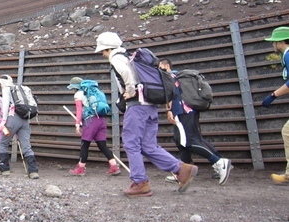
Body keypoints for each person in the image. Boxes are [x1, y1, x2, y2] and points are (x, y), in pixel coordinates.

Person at [95, 31, 197, 197]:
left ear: (108, 48)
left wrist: (129, 91)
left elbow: (126, 75)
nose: (103, 55)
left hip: (137, 107)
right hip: (150, 107)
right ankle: (182, 170)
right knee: (149, 146)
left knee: (131, 143)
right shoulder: (129, 57)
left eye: (102, 51)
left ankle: (140, 182)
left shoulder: (116, 57)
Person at [158, 59, 232, 185]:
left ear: (166, 66)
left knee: (188, 141)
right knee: (183, 140)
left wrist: (168, 110)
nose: (159, 70)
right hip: (190, 110)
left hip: (181, 111)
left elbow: (169, 93)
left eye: (160, 67)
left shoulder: (169, 76)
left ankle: (219, 162)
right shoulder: (178, 75)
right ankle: (184, 172)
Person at [66, 77, 121, 176]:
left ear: (75, 87)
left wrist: (77, 124)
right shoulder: (94, 92)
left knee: (84, 145)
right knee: (102, 145)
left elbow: (79, 110)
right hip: (101, 120)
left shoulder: (78, 94)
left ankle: (80, 168)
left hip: (90, 121)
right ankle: (114, 167)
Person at [0, 75, 39, 179]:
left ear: (3, 83)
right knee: (26, 146)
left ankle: (4, 169)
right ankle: (33, 171)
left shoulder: (7, 89)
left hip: (13, 118)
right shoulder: (23, 88)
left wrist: (3, 120)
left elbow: (5, 106)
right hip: (25, 120)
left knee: (3, 142)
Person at [261, 26, 289, 184]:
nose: (272, 45)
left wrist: (273, 95)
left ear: (280, 41)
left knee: (287, 131)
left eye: (274, 42)